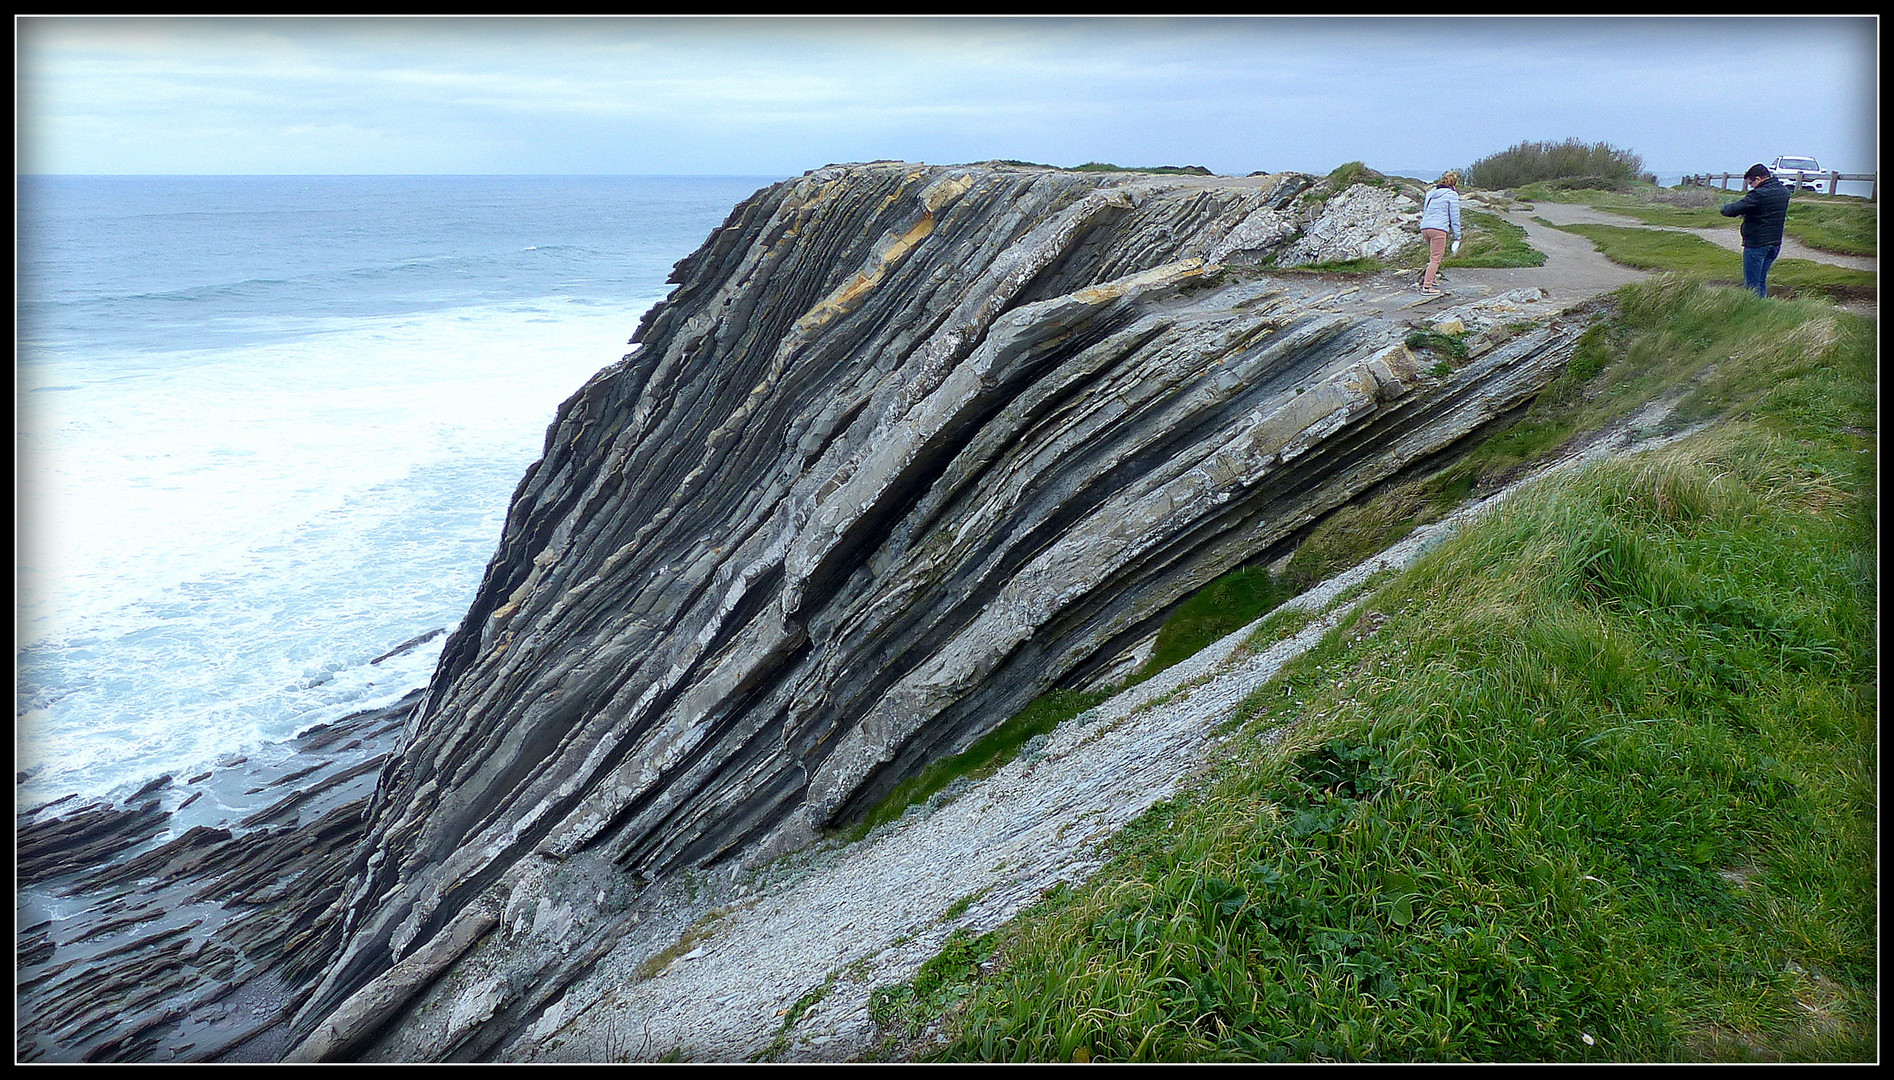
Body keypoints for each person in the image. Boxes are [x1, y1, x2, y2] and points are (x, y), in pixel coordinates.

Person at [1719, 164, 1791, 298]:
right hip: (1775, 243)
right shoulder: (1783, 192)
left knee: (1751, 285)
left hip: (1757, 243)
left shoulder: (1759, 194)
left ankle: (1752, 310)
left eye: (1751, 183)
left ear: (1758, 179)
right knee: (1761, 281)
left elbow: (1729, 210)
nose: (1751, 186)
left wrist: (1725, 207)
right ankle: (1762, 308)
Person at [1418, 171, 1463, 294]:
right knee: (1436, 258)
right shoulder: (1451, 195)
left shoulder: (1431, 192)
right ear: (1454, 183)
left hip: (1425, 227)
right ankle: (1427, 286)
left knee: (1433, 256)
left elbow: (1425, 209)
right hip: (1439, 229)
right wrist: (1457, 237)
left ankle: (1431, 279)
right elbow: (1455, 217)